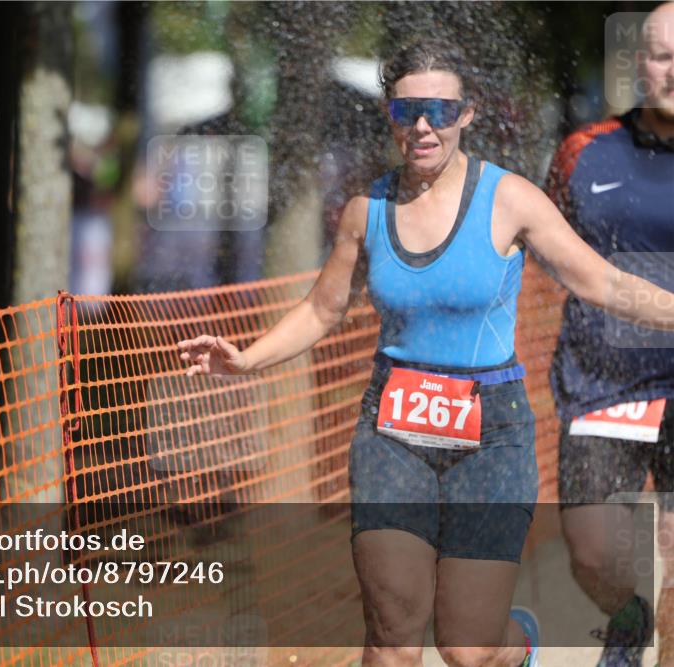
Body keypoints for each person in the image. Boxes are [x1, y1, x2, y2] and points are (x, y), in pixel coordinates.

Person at [177, 37, 674, 667]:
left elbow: (602, 282)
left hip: (491, 438)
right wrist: (246, 359)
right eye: (406, 110)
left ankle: (515, 649)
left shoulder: (510, 200)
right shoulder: (367, 212)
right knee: (390, 633)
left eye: (440, 111)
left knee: (467, 650)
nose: (422, 126)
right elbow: (321, 310)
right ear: (389, 113)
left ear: (466, 114)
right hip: (392, 435)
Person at [547, 4, 674, 666]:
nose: (673, 70)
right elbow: (543, 243)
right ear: (638, 64)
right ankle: (630, 620)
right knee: (593, 553)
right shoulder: (583, 153)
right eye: (662, 54)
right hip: (602, 383)